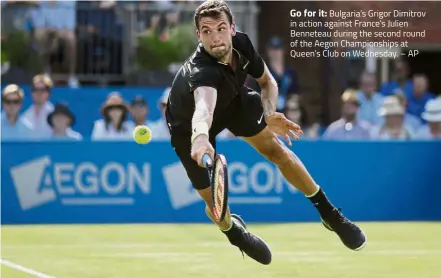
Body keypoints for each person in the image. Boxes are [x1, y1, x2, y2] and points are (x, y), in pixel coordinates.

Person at [165, 0, 367, 265]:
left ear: (232, 28)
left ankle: (329, 213)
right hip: (187, 126)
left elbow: (267, 81)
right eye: (206, 31)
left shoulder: (242, 44)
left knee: (276, 150)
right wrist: (200, 137)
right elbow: (203, 108)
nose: (215, 38)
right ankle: (233, 232)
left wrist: (270, 112)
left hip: (234, 101)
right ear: (198, 35)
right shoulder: (201, 71)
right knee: (216, 205)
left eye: (220, 28)